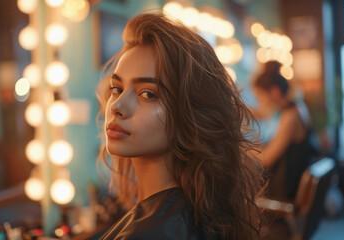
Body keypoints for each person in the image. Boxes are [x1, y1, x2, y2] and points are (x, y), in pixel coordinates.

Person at [96, 12, 263, 239]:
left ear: (190, 113)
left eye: (148, 94)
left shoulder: (153, 232)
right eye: (117, 88)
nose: (117, 105)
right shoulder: (194, 211)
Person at [252, 61, 318, 201]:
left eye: (260, 97)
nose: (260, 103)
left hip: (285, 192)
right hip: (289, 185)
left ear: (275, 92)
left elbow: (266, 159)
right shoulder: (297, 108)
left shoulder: (290, 117)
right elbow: (261, 113)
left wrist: (241, 151)